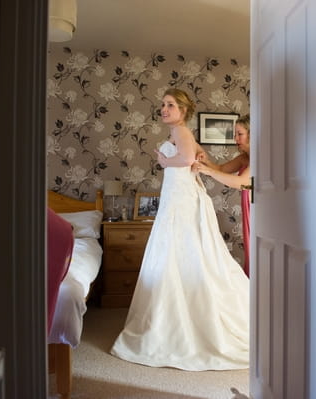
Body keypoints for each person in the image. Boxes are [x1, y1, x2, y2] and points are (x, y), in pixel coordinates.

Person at [109, 88, 249, 371]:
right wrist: (197, 160)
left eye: (170, 105)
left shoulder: (182, 132)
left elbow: (185, 161)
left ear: (183, 111)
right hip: (177, 196)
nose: (164, 109)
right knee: (178, 255)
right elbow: (197, 160)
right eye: (162, 105)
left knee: (185, 253)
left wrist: (163, 160)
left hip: (182, 200)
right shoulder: (180, 134)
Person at [193, 114, 251, 277]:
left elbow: (242, 182)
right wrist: (206, 162)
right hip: (248, 206)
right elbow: (222, 169)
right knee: (250, 251)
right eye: (235, 134)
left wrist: (208, 171)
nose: (236, 138)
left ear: (251, 134)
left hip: (258, 209)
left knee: (256, 251)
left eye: (240, 134)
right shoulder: (244, 158)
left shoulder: (260, 157)